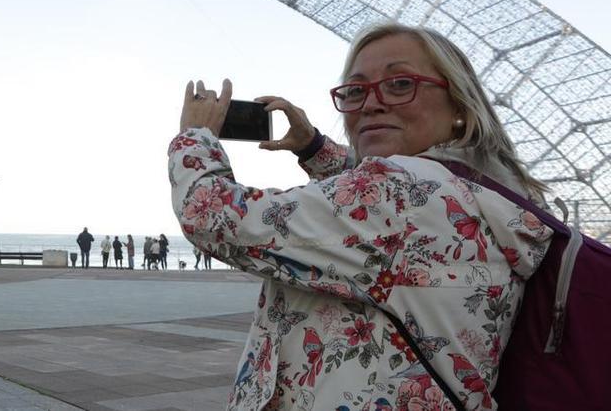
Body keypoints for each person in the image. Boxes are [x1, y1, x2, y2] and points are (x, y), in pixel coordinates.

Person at [168, 23, 553, 411]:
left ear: (459, 104)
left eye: (400, 84)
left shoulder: (400, 193)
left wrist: (196, 135)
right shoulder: (481, 194)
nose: (370, 103)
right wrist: (314, 147)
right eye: (354, 91)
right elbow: (377, 231)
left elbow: (212, 215)